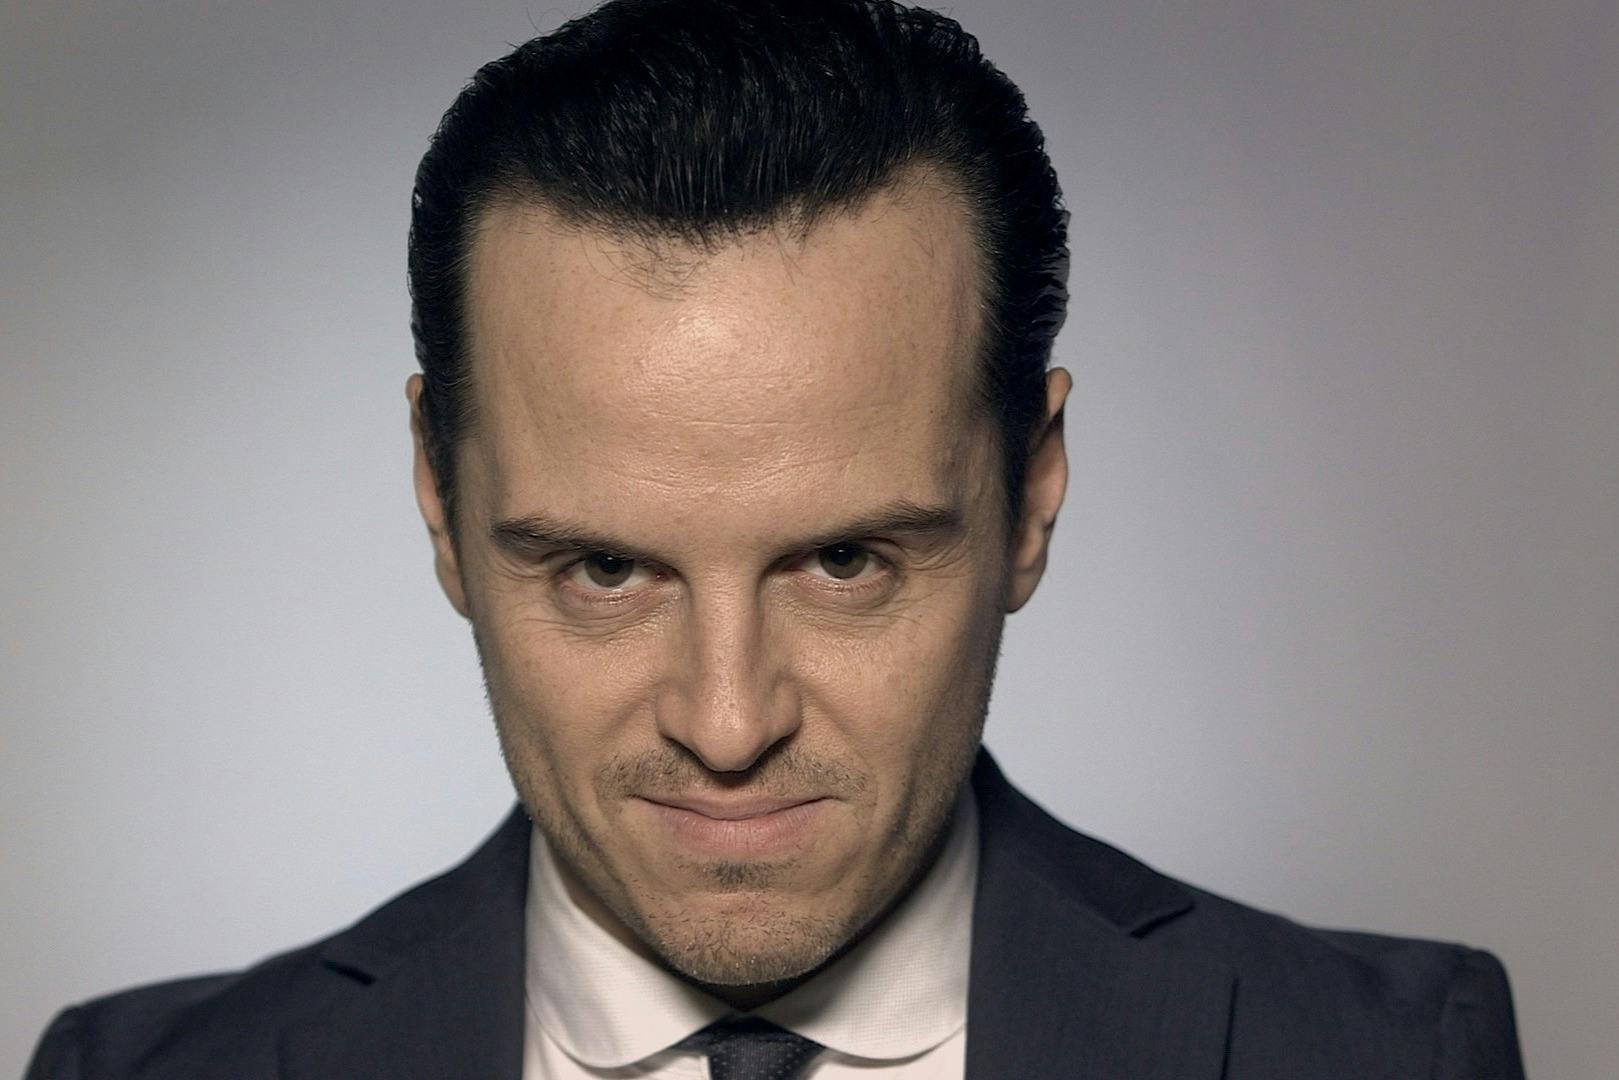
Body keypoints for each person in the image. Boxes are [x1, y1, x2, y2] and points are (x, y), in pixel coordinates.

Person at [25, 0, 1526, 1077]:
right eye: (605, 570)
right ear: (437, 496)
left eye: (847, 563)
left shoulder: (1396, 1056)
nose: (729, 724)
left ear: (1033, 493)